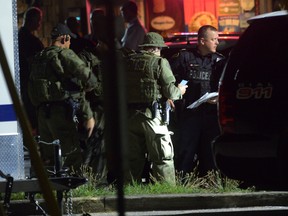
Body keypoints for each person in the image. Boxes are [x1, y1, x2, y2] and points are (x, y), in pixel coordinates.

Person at [28, 23, 97, 174]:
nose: (70, 43)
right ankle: (75, 189)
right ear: (64, 38)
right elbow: (85, 74)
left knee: (50, 157)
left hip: (42, 115)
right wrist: (91, 85)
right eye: (69, 39)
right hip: (60, 112)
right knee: (71, 153)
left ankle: (51, 189)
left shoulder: (39, 57)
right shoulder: (63, 54)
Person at [124, 32, 187, 185]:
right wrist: (180, 90)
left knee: (133, 159)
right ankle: (166, 193)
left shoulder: (127, 62)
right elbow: (171, 92)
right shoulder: (159, 62)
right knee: (162, 157)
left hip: (128, 117)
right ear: (156, 48)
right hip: (151, 116)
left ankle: (131, 191)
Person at [169, 25, 226, 177]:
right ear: (202, 41)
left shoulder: (219, 61)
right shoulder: (184, 57)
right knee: (186, 151)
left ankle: (211, 183)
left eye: (217, 39)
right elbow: (170, 80)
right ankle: (182, 183)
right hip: (189, 114)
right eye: (213, 39)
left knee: (210, 153)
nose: (217, 43)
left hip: (211, 115)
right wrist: (171, 95)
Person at [18, 7, 44, 138]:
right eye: (39, 20)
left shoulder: (17, 38)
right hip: (30, 85)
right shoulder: (32, 41)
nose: (40, 24)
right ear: (33, 20)